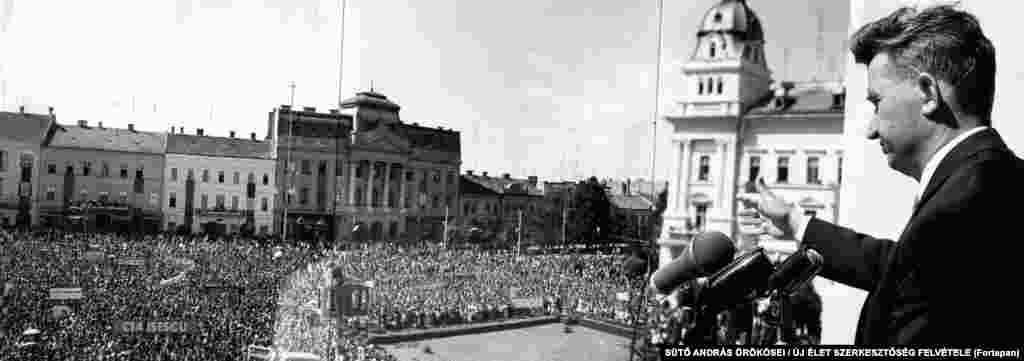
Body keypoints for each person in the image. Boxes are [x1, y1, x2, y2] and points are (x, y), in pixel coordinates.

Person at [739, 4, 1023, 346]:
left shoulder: (966, 202)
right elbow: (904, 269)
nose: (871, 130)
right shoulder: (983, 180)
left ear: (928, 94)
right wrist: (796, 222)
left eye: (877, 102)